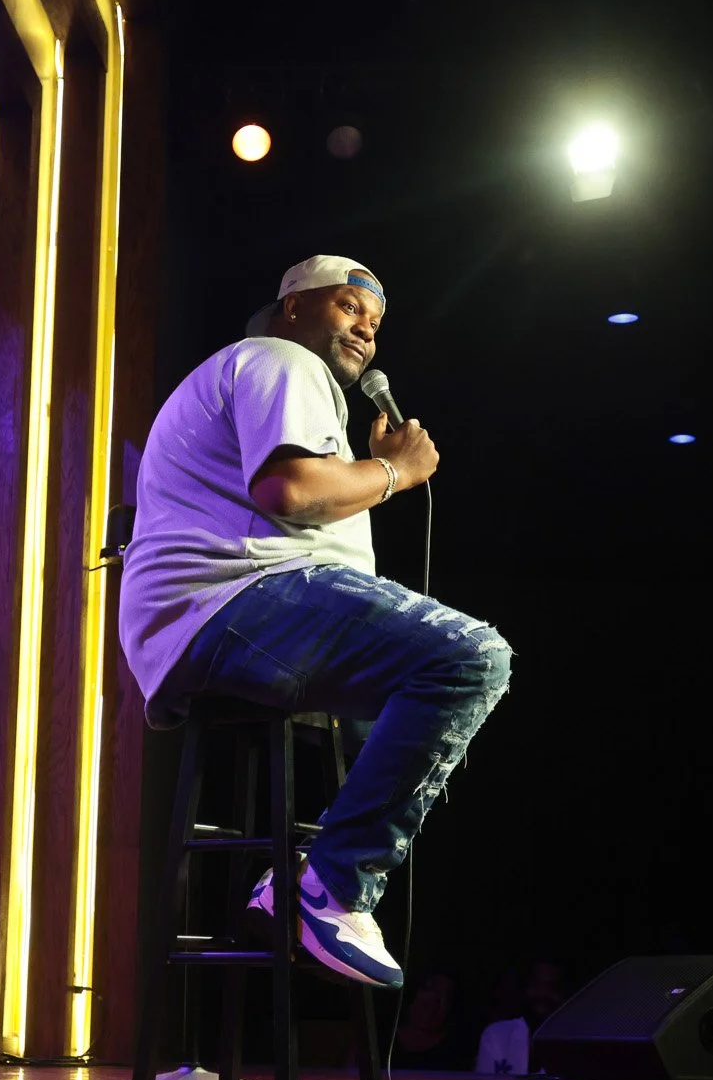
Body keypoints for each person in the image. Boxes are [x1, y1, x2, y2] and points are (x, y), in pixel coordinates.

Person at [120, 256, 512, 989]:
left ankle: (298, 880)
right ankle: (331, 889)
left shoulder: (284, 383)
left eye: (376, 319)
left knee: (405, 714)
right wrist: (397, 472)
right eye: (348, 305)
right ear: (294, 306)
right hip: (233, 599)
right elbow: (290, 489)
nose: (366, 326)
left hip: (216, 616)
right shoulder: (280, 359)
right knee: (471, 656)